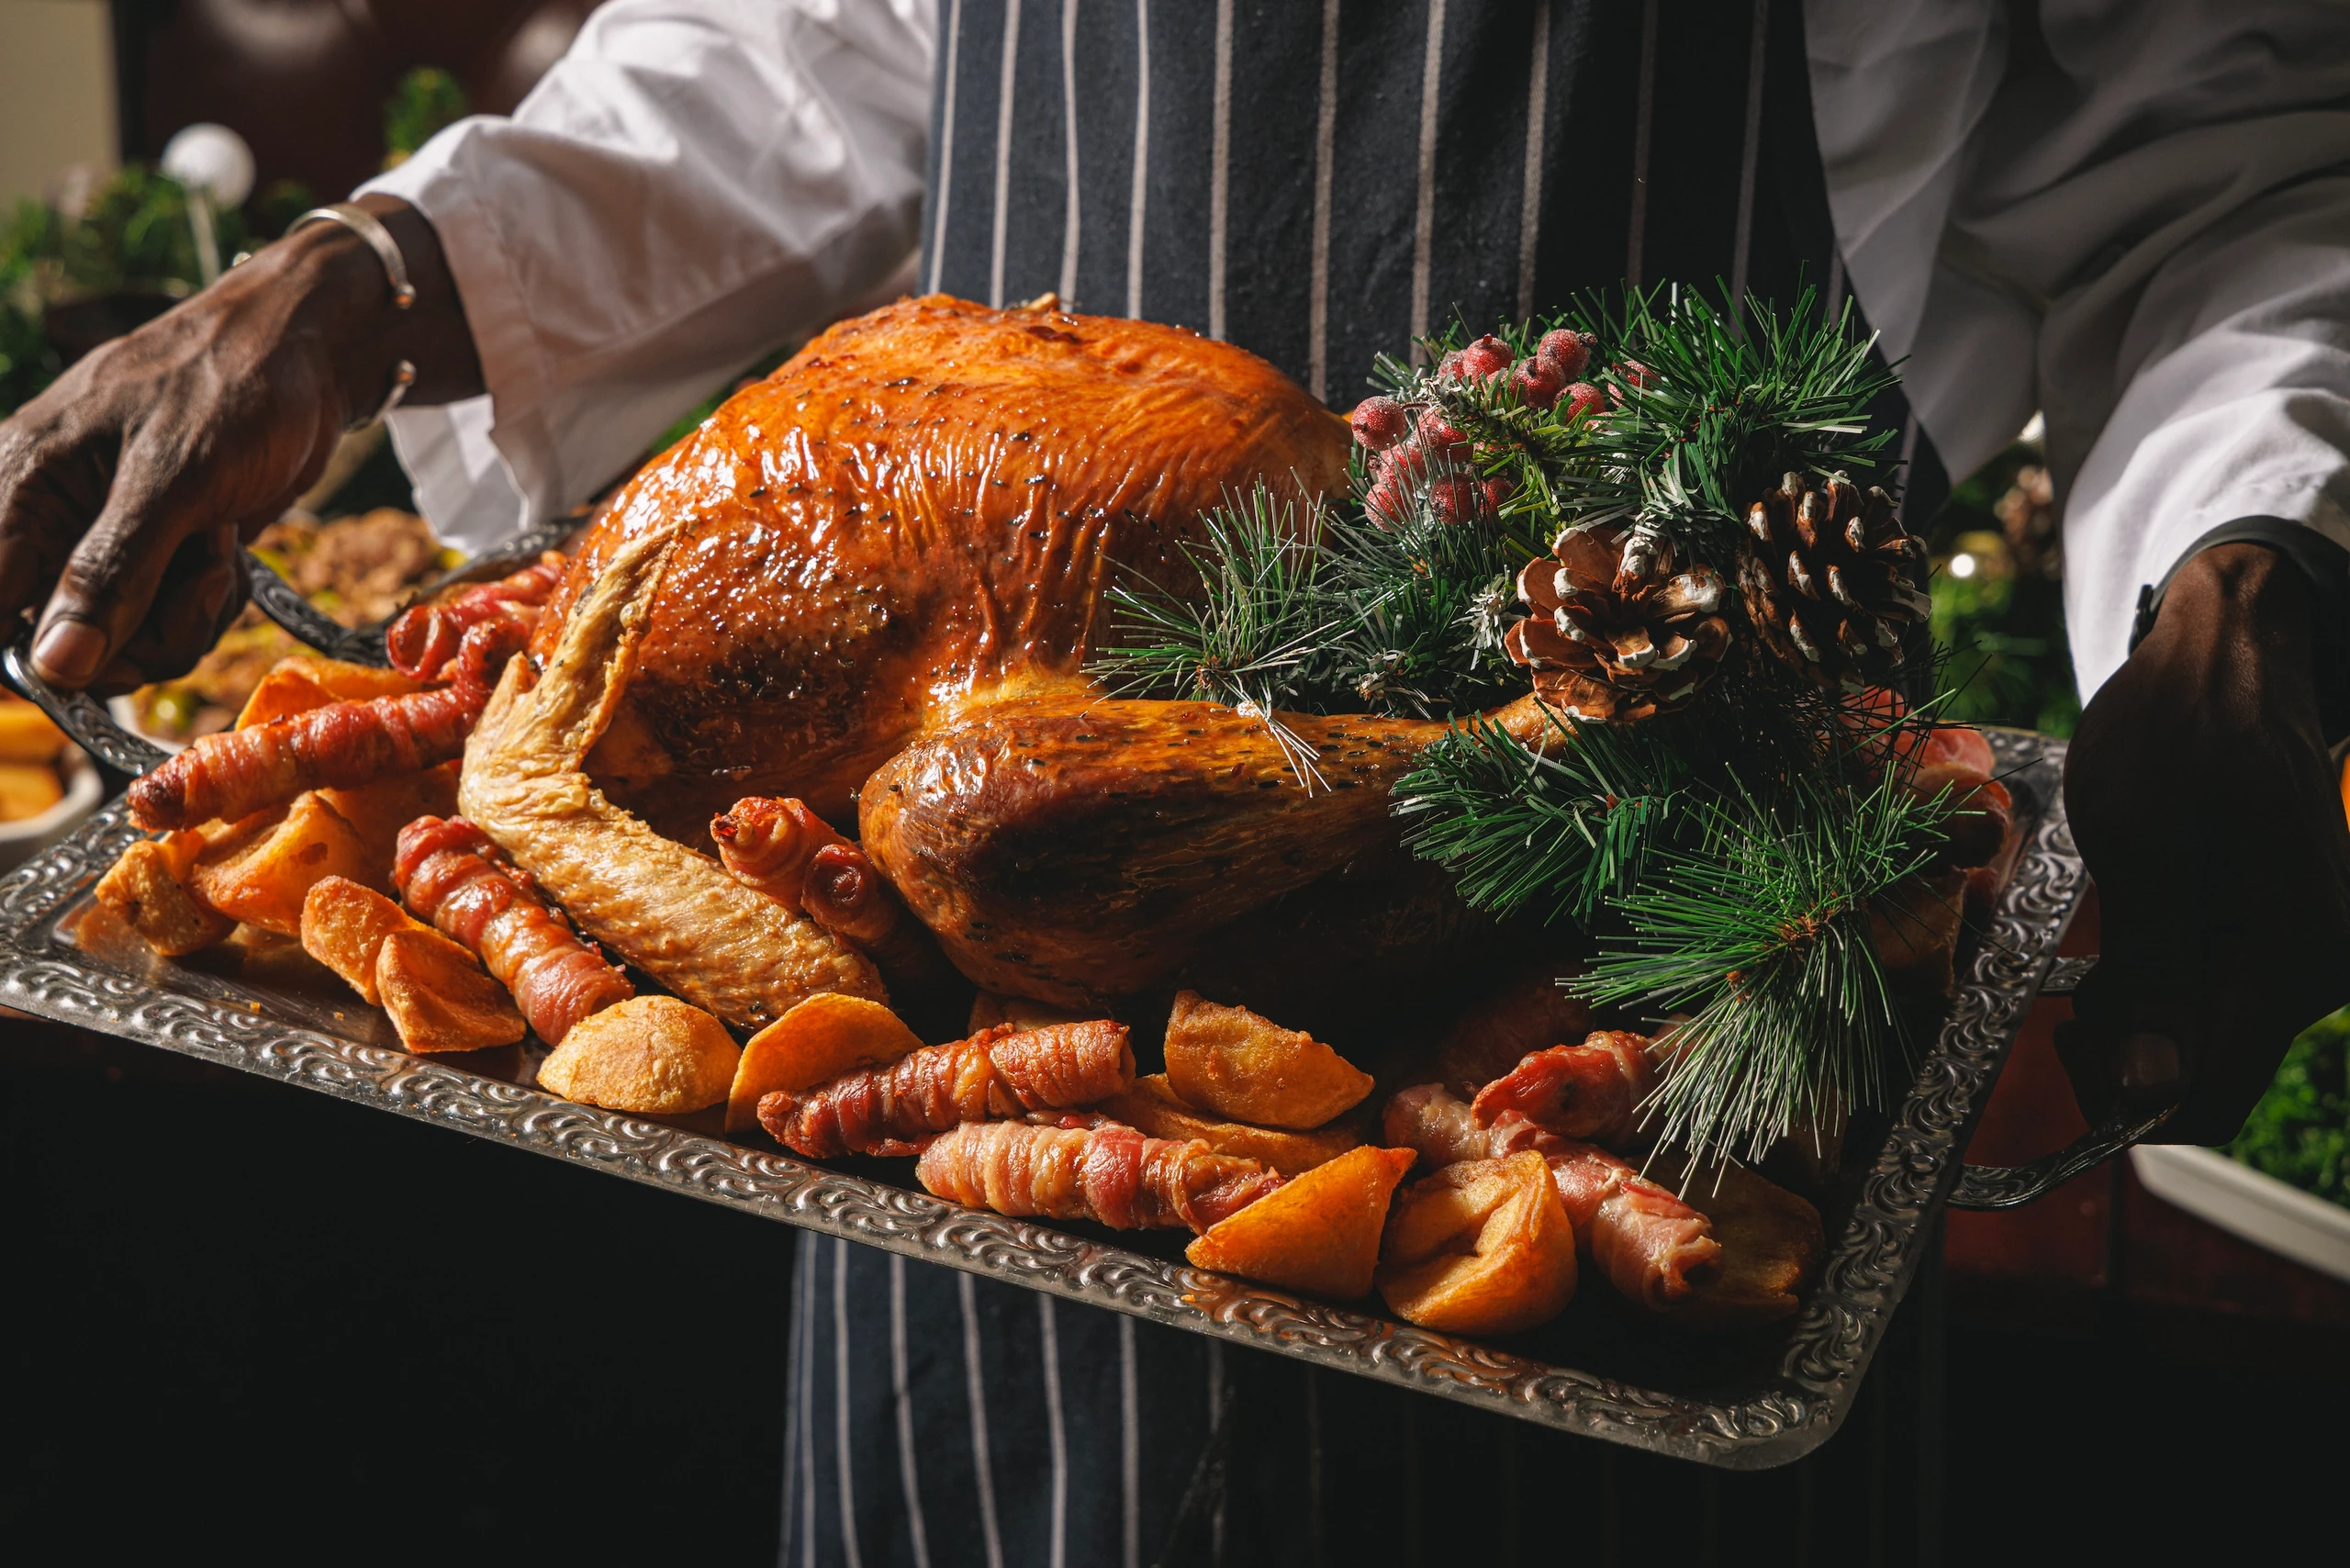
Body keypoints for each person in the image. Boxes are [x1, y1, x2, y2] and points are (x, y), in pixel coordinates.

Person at [4, 1, 2346, 1561]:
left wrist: (2256, 534)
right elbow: (834, 40)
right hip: (957, 1109)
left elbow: (2231, 146)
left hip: (1653, 986)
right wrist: (391, 255)